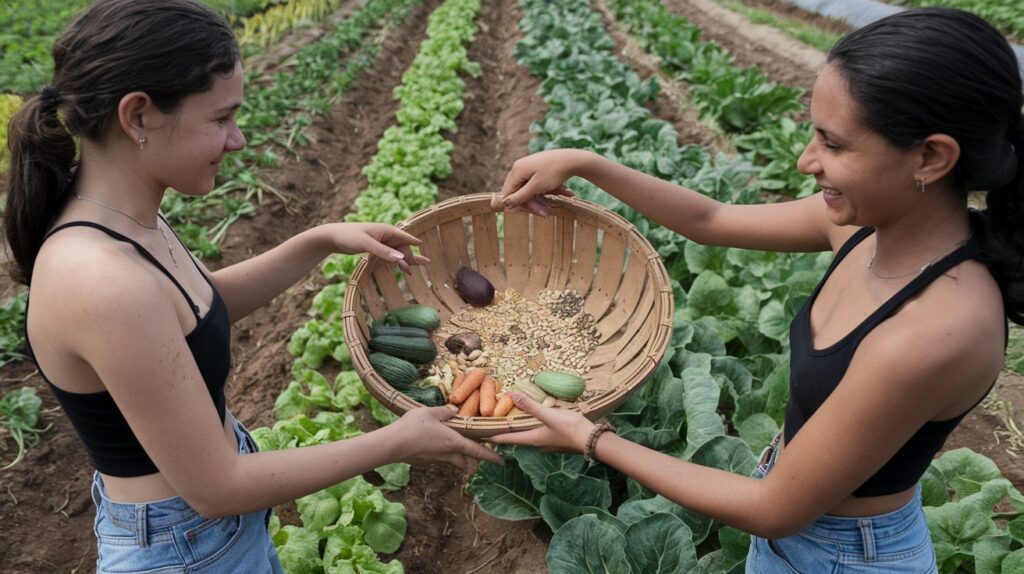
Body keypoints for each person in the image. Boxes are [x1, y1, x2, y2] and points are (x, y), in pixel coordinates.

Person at [489, 7, 1022, 573]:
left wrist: (592, 440)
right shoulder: (862, 227)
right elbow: (713, 220)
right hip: (803, 525)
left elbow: (773, 509)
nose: (805, 160)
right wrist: (589, 164)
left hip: (841, 557)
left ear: (931, 157)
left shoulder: (937, 331)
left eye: (833, 144)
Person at [3, 1, 500, 572]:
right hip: (185, 550)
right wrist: (396, 442)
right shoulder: (102, 281)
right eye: (220, 119)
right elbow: (216, 486)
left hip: (201, 534)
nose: (237, 139)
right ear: (137, 116)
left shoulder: (124, 222)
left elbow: (194, 313)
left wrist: (318, 241)